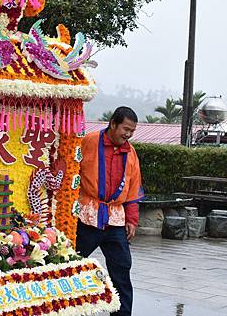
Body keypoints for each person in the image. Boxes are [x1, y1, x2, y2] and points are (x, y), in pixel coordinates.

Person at [76, 106, 144, 316]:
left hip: (115, 220)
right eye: (125, 129)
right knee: (70, 265)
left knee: (122, 270)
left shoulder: (131, 152)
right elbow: (72, 171)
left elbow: (133, 189)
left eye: (132, 131)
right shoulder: (89, 141)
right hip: (87, 215)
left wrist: (132, 220)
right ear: (113, 123)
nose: (128, 134)